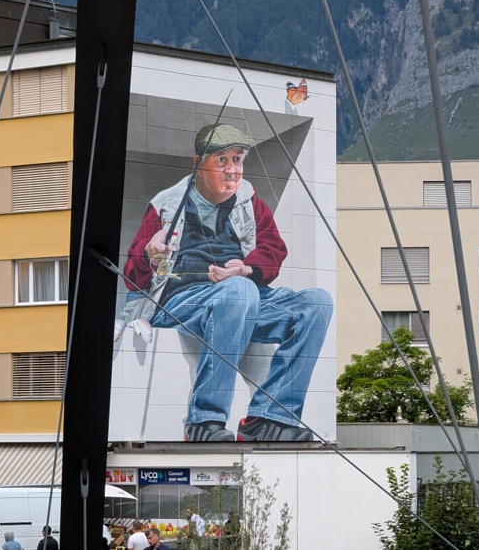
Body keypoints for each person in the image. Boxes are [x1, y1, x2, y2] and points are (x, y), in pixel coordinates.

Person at [122, 123, 333, 442]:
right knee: (239, 292)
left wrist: (247, 269)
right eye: (222, 160)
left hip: (242, 298)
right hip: (179, 300)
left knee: (316, 303)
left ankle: (267, 418)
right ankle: (203, 421)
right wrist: (150, 253)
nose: (232, 169)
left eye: (237, 159)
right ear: (198, 165)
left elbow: (273, 249)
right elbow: (131, 275)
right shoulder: (166, 204)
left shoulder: (249, 198)